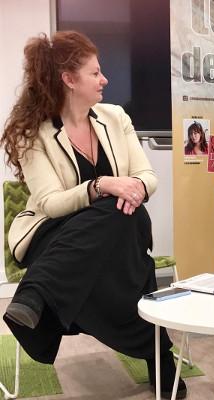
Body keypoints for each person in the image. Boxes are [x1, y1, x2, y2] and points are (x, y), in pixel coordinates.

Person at [0, 31, 187, 398]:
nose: (105, 80)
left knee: (123, 219)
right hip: (54, 235)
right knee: (129, 244)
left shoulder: (115, 117)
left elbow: (147, 177)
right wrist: (102, 185)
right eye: (95, 73)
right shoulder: (33, 133)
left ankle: (38, 293)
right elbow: (51, 204)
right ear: (69, 80)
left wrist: (131, 189)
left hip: (109, 236)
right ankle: (159, 359)